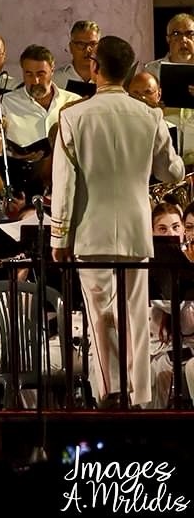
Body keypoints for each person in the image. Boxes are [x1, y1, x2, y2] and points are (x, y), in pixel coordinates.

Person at [51, 35, 185, 409]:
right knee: (135, 317)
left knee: (101, 317)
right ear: (129, 72)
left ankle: (110, 393)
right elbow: (172, 172)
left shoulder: (73, 116)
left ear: (95, 67)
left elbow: (64, 183)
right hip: (135, 231)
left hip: (90, 231)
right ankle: (138, 397)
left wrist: (59, 237)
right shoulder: (150, 116)